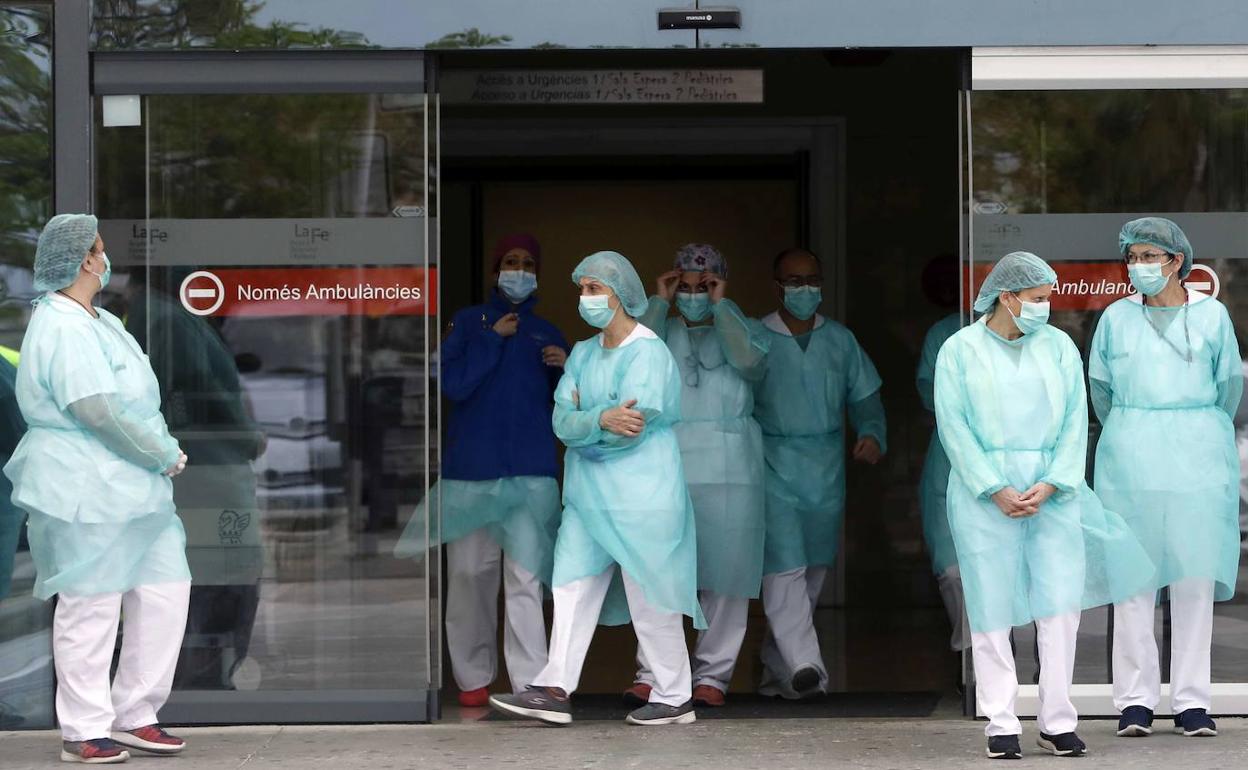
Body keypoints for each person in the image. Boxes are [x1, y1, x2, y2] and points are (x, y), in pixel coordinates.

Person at [935, 251, 1154, 760]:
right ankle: (1001, 720)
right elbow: (954, 426)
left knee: (1059, 609)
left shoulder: (1057, 346)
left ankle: (1056, 719)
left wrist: (1056, 481)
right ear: (1007, 297)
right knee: (990, 608)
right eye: (1036, 298)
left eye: (1047, 297)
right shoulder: (960, 350)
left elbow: (1076, 419)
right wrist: (993, 486)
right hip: (982, 494)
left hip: (1054, 493)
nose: (1045, 307)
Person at [4, 215, 192, 764]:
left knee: (164, 594)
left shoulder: (100, 320)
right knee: (91, 604)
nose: (107, 259)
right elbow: (98, 410)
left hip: (137, 486)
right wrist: (159, 453)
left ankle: (136, 712)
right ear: (85, 260)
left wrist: (157, 453)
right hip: (84, 482)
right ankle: (84, 728)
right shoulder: (61, 325)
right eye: (101, 250)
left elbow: (132, 401)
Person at [489, 250, 703, 727]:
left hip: (642, 497)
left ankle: (674, 695)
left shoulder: (649, 350)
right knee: (570, 587)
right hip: (588, 500)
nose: (584, 298)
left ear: (621, 293)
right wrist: (598, 419)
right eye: (581, 289)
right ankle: (554, 687)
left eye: (593, 289)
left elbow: (635, 425)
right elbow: (561, 419)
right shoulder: (584, 352)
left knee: (652, 594)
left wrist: (591, 424)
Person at [396, 234, 568, 706]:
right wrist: (493, 341)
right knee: (470, 575)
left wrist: (566, 369)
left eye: (528, 262)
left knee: (526, 578)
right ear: (495, 271)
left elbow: (568, 407)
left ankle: (531, 684)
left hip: (531, 471)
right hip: (472, 472)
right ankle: (472, 679)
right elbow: (451, 384)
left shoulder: (549, 332)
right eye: (511, 261)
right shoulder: (470, 323)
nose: (519, 269)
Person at [1090, 218, 1243, 739]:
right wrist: (1137, 430)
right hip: (1130, 456)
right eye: (1133, 258)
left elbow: (1228, 388)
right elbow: (1102, 390)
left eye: (1150, 257)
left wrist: (1194, 428)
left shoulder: (1213, 315)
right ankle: (1135, 702)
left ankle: (1192, 703)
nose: (1140, 267)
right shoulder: (1115, 317)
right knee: (1133, 582)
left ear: (1177, 260)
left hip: (1198, 455)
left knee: (1193, 580)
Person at [624, 243, 768, 708]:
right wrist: (659, 301)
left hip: (731, 469)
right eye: (684, 286)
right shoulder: (657, 330)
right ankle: (653, 670)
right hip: (669, 464)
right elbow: (627, 359)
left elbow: (750, 363)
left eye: (702, 286)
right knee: (661, 571)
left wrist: (722, 306)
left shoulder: (741, 325)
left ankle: (713, 676)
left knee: (728, 575)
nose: (693, 295)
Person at [752, 247, 885, 699]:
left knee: (810, 574)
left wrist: (872, 432)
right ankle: (809, 667)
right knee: (782, 568)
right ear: (776, 286)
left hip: (826, 468)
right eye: (793, 281)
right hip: (772, 462)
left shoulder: (840, 341)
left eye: (811, 280)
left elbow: (866, 398)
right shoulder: (755, 339)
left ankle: (778, 671)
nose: (803, 289)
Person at [915, 256, 970, 652]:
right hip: (949, 458)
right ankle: (968, 655)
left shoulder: (1028, 336)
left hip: (1007, 458)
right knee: (953, 572)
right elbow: (930, 393)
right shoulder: (945, 334)